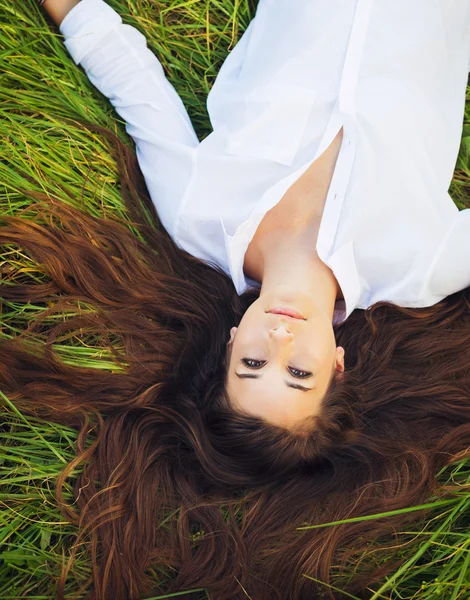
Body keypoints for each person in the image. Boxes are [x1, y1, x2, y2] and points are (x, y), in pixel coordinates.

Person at [1, 0, 470, 598]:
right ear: (338, 366)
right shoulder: (417, 267)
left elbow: (138, 89)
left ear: (228, 345)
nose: (278, 340)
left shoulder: (197, 218)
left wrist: (68, 8)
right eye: (298, 373)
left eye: (252, 365)